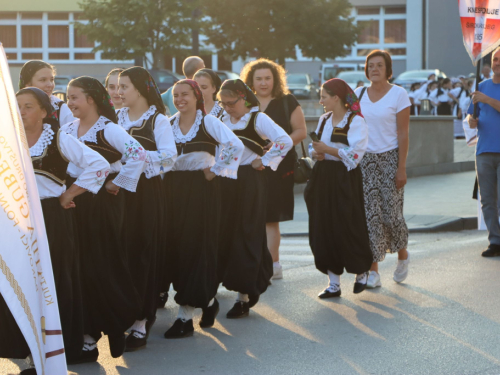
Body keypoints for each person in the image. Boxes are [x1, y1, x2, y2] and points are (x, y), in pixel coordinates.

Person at [0, 87, 110, 374]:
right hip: (15, 222)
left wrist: (69, 194)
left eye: (28, 106)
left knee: (50, 283)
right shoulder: (8, 141)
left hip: (50, 217)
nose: (22, 111)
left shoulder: (58, 137)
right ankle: (26, 352)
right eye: (18, 106)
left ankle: (51, 353)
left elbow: (99, 165)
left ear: (44, 112)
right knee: (18, 282)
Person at [61, 77, 146, 363]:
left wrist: (117, 182)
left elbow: (138, 154)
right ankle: (87, 338)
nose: (70, 103)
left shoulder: (108, 129)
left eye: (75, 98)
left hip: (101, 206)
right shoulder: (67, 129)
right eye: (68, 98)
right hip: (75, 203)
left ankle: (117, 323)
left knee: (103, 266)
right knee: (79, 270)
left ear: (92, 99)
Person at [163, 80, 244, 338]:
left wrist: (215, 171)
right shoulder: (168, 124)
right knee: (175, 248)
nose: (179, 99)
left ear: (197, 96)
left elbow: (235, 145)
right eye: (175, 95)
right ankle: (208, 301)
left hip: (200, 188)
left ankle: (185, 317)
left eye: (184, 94)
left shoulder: (208, 122)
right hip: (173, 188)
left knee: (195, 247)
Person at [217, 79, 293, 318]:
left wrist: (266, 160)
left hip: (250, 179)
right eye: (224, 103)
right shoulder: (220, 120)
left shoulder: (257, 118)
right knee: (227, 233)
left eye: (231, 103)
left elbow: (285, 140)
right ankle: (244, 282)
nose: (228, 108)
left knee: (247, 232)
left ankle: (244, 294)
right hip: (226, 180)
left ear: (243, 98)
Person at [116, 67, 177, 351]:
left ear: (140, 89)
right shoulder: (116, 118)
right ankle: (125, 312)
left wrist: (138, 156)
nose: (118, 92)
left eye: (124, 86)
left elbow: (169, 157)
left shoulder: (157, 119)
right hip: (117, 193)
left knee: (143, 253)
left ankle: (142, 321)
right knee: (121, 254)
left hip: (145, 194)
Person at [240, 58, 307, 280]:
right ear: (250, 81)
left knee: (271, 218)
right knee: (250, 217)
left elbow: (300, 131)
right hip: (249, 167)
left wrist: (278, 144)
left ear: (275, 80)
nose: (263, 83)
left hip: (279, 168)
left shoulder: (287, 101)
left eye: (268, 78)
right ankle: (253, 263)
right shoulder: (244, 103)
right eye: (258, 78)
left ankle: (273, 265)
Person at [306, 78, 371, 298]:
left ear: (336, 98)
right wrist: (317, 152)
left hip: (345, 178)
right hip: (323, 176)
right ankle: (333, 283)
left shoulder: (356, 121)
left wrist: (329, 150)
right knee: (324, 228)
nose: (321, 100)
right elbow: (313, 148)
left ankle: (361, 271)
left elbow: (355, 155)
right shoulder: (324, 119)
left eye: (324, 96)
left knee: (349, 224)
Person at [354, 50, 411, 289]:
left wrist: (401, 168)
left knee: (392, 215)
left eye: (379, 65)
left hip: (390, 159)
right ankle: (373, 270)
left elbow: (403, 133)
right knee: (370, 217)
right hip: (364, 161)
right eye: (370, 65)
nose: (374, 69)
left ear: (388, 70)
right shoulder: (357, 94)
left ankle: (403, 255)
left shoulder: (399, 94)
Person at [467, 47, 500, 257]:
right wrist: (472, 121)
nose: (497, 62)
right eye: (496, 59)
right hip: (484, 151)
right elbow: (471, 117)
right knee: (487, 199)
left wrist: (486, 99)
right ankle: (495, 241)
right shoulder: (481, 86)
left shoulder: (484, 93)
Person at [18, 60, 75, 126]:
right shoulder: (13, 107)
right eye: (43, 80)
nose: (50, 85)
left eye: (51, 80)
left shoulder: (61, 109)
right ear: (27, 84)